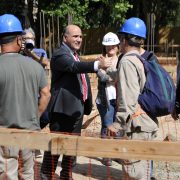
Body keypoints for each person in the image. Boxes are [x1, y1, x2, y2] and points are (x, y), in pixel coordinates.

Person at [40, 24, 111, 179]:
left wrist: (87, 103)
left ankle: (66, 174)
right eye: (75, 36)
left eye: (80, 36)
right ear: (65, 38)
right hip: (62, 109)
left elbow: (81, 75)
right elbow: (74, 67)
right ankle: (47, 173)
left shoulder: (75, 55)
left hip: (76, 109)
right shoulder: (60, 55)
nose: (79, 39)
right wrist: (97, 64)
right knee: (57, 144)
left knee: (72, 147)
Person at [107, 17, 159, 180]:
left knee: (135, 173)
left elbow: (128, 99)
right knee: (144, 171)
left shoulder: (127, 61)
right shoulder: (141, 59)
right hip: (147, 123)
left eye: (120, 38)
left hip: (136, 127)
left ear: (124, 39)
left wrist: (118, 123)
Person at [0, 14, 50, 180]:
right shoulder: (34, 66)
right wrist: (34, 118)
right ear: (18, 39)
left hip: (4, 135)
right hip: (30, 133)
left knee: (8, 175)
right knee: (28, 174)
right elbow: (45, 94)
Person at [96, 32, 120, 166]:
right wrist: (112, 76)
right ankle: (106, 154)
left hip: (119, 99)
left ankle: (115, 153)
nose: (110, 47)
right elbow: (102, 77)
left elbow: (119, 77)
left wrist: (108, 75)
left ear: (117, 46)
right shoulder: (100, 60)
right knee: (106, 126)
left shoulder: (122, 59)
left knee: (118, 126)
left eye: (112, 45)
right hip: (105, 99)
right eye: (107, 45)